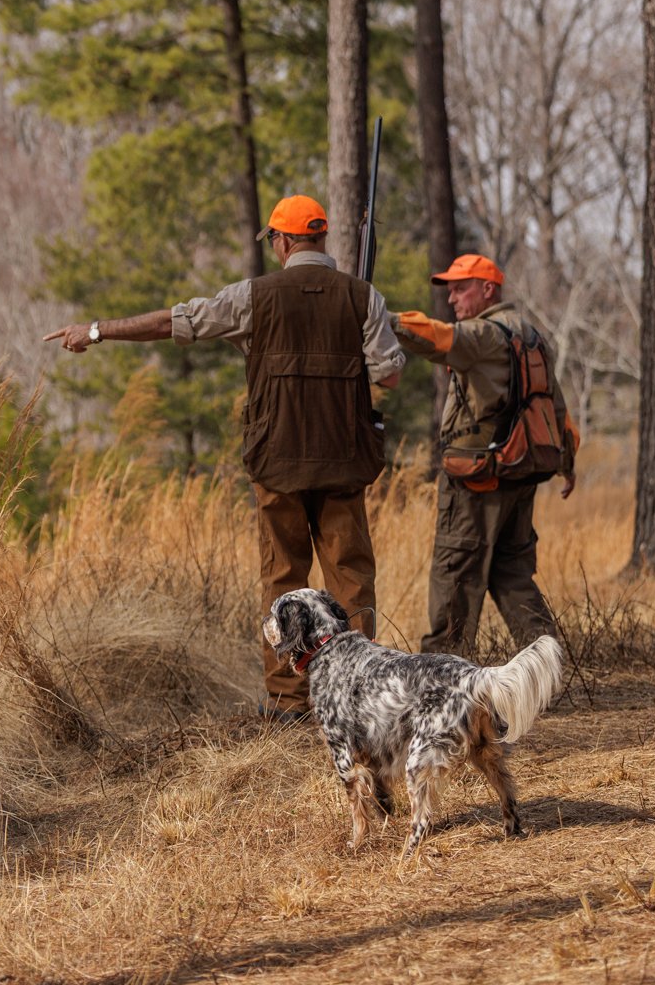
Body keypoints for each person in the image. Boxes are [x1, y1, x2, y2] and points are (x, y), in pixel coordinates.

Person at [44, 195, 404, 718]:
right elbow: (389, 375)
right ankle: (361, 694)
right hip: (343, 464)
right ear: (321, 239)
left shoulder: (252, 297)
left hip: (276, 465)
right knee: (349, 578)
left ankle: (286, 701)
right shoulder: (362, 297)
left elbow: (175, 322)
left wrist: (97, 331)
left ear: (281, 241)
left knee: (283, 577)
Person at [392, 255, 575, 661]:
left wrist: (385, 319)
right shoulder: (531, 336)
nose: (452, 298)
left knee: (455, 576)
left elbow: (438, 339)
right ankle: (547, 669)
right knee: (512, 575)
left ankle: (442, 677)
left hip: (477, 485)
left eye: (461, 288)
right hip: (519, 477)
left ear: (488, 290)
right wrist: (567, 463)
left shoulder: (483, 334)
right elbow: (556, 407)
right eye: (450, 290)